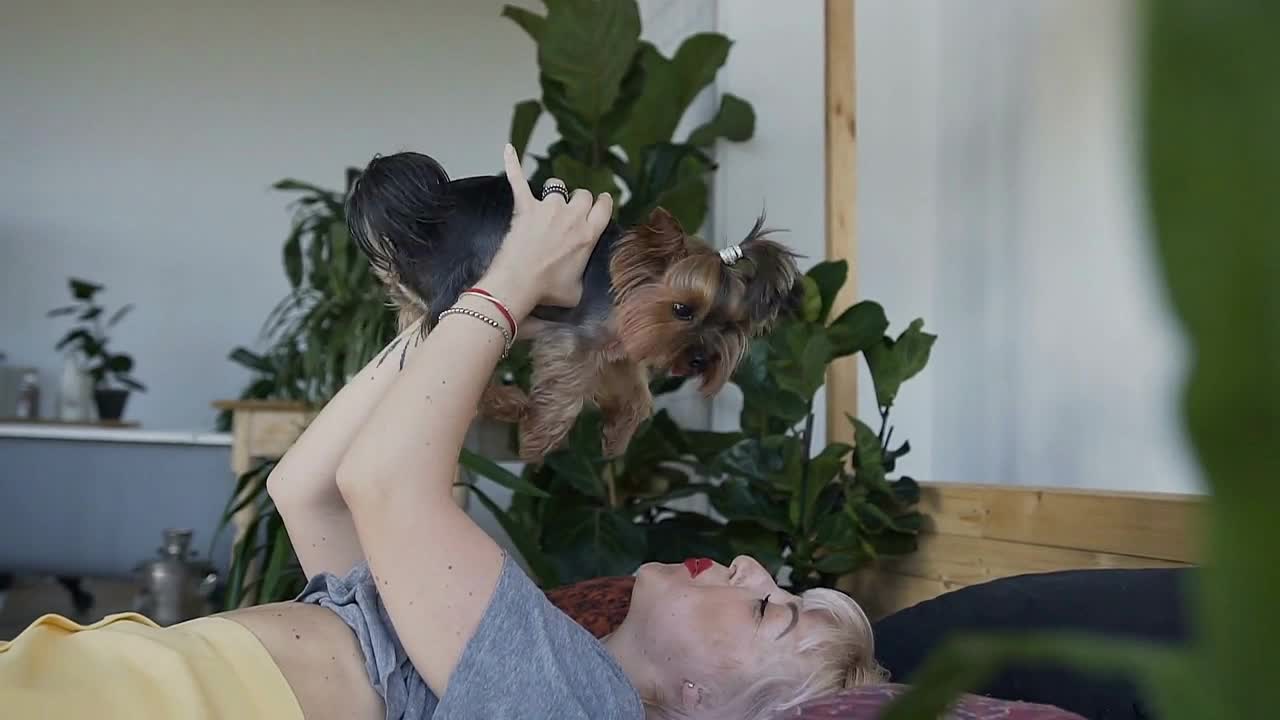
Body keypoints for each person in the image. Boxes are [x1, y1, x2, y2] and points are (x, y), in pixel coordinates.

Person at [0, 145, 882, 719]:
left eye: (773, 607)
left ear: (700, 701)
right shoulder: (522, 636)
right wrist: (464, 305)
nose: (756, 568)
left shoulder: (578, 706)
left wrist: (506, 284)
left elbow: (384, 484)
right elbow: (304, 485)